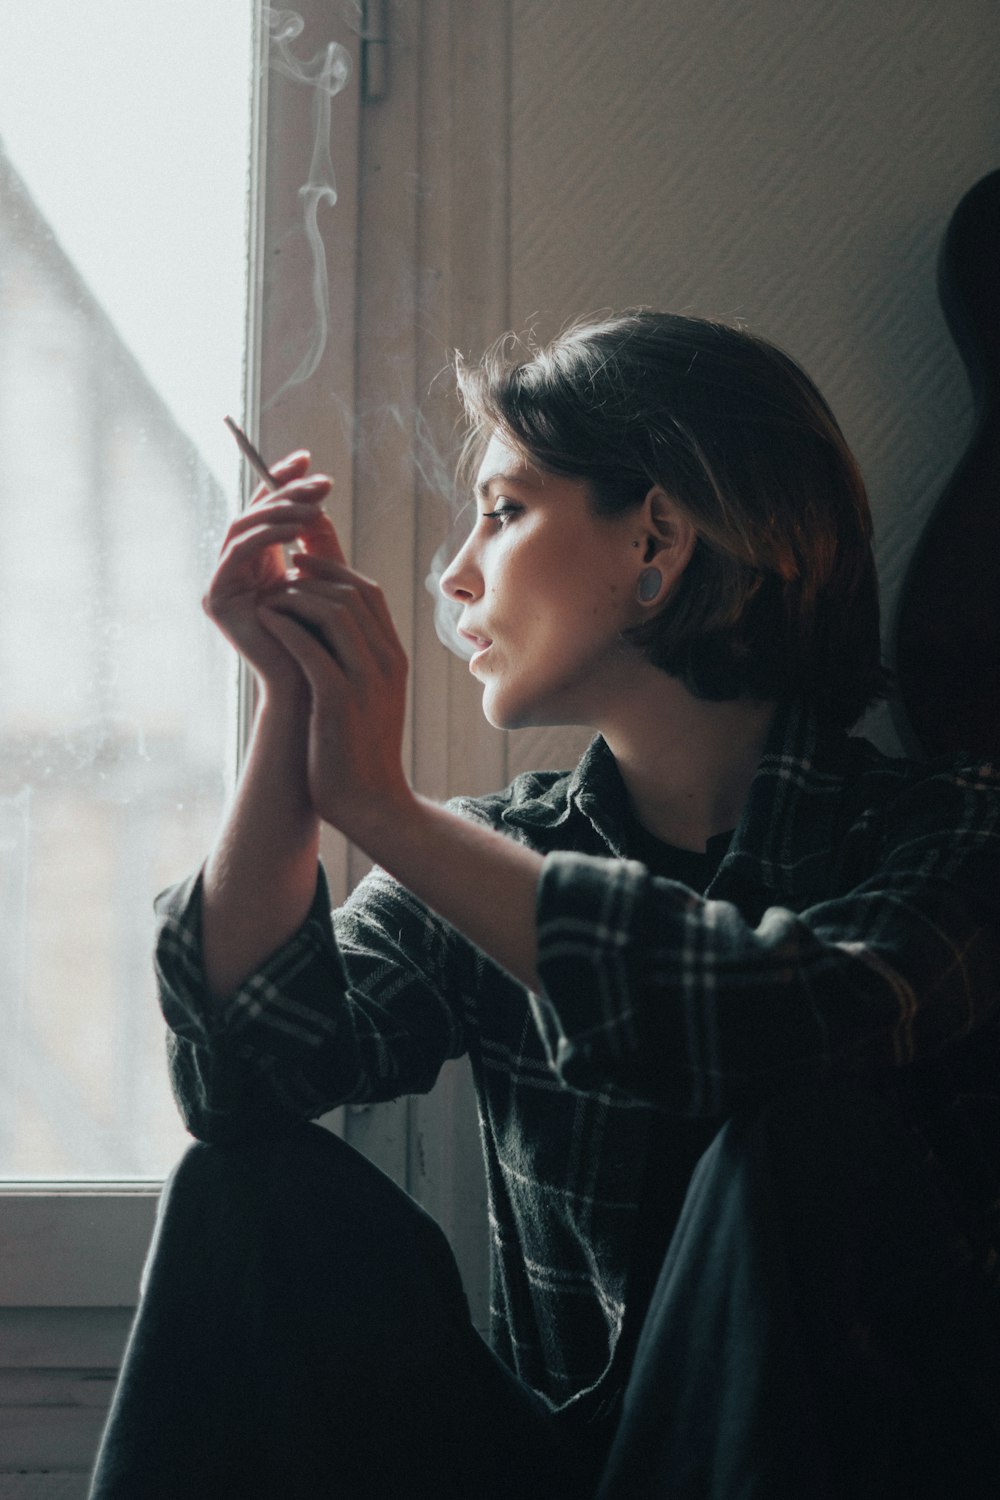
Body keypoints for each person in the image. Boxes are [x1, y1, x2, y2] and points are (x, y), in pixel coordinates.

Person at [89, 311, 1000, 1499]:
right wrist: (294, 705)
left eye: (506, 510)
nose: (456, 572)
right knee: (243, 1191)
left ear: (657, 538)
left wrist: (388, 810)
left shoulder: (953, 828)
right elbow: (245, 1078)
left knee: (805, 1142)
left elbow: (791, 1019)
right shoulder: (502, 852)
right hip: (563, 1472)